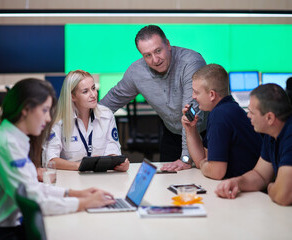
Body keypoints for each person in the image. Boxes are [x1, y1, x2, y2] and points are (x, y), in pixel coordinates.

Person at [0, 78, 115, 240]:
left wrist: (76, 193)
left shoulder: (14, 137)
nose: (47, 119)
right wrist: (84, 203)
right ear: (26, 110)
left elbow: (33, 188)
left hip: (9, 224)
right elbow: (34, 201)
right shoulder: (7, 145)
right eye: (44, 111)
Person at [99, 25, 207, 168]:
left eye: (158, 51)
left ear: (167, 44)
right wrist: (81, 120)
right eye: (147, 55)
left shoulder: (190, 62)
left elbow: (191, 114)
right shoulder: (136, 72)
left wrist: (186, 158)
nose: (155, 60)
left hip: (203, 133)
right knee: (166, 178)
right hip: (172, 133)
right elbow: (112, 100)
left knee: (202, 180)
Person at [163, 64, 262, 179]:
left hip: (247, 190)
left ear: (212, 95)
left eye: (196, 92)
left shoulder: (220, 115)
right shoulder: (226, 108)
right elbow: (202, 158)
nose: (193, 96)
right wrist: (190, 129)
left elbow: (216, 172)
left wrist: (204, 164)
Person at [215, 84, 292, 207]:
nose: (248, 116)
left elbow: (284, 195)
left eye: (252, 112)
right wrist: (237, 182)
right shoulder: (272, 132)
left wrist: (271, 186)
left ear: (269, 118)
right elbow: (260, 175)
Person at [43, 70, 129, 171]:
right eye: (85, 91)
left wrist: (119, 164)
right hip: (70, 179)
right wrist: (80, 166)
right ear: (72, 96)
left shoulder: (106, 115)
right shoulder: (58, 121)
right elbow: (50, 160)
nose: (93, 95)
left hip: (101, 178)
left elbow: (113, 151)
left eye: (93, 88)